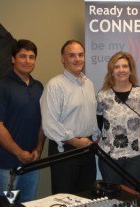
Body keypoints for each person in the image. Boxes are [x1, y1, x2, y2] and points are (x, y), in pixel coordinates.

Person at [0, 39, 45, 206]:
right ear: (13, 59)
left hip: (32, 162)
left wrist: (38, 149)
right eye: (22, 56)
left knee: (27, 204)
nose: (27, 61)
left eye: (31, 57)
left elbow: (43, 122)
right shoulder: (1, 87)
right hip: (8, 165)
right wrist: (19, 153)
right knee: (6, 205)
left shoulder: (38, 87)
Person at [40, 40, 98, 194]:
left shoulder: (89, 84)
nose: (78, 59)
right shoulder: (55, 86)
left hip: (87, 149)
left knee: (87, 198)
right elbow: (49, 124)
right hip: (64, 151)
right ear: (63, 59)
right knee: (64, 199)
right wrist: (75, 142)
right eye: (72, 55)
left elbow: (90, 117)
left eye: (81, 55)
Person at [96, 51, 140, 189]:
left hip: (136, 155)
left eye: (125, 66)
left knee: (132, 195)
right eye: (117, 67)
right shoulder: (102, 95)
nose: (121, 70)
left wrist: (132, 134)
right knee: (113, 195)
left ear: (130, 69)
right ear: (111, 71)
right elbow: (100, 123)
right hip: (110, 156)